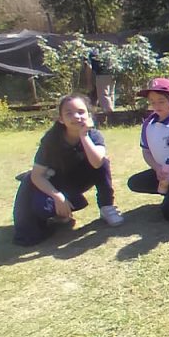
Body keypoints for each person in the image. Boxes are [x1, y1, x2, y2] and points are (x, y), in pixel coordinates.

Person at [12, 95, 123, 246]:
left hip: (81, 179)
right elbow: (37, 176)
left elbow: (97, 163)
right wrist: (59, 197)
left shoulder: (94, 135)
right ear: (61, 119)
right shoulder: (51, 140)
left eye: (81, 112)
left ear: (89, 115)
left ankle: (107, 207)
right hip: (58, 183)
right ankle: (61, 210)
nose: (76, 116)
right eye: (69, 113)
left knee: (103, 160)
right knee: (42, 208)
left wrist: (84, 135)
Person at [127, 78, 169, 221]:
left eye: (161, 101)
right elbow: (146, 152)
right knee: (134, 183)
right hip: (163, 174)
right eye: (152, 102)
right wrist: (157, 168)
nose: (156, 105)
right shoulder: (148, 124)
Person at [87, 48, 116, 113]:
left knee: (103, 94)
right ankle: (112, 111)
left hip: (101, 74)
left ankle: (108, 113)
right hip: (112, 73)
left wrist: (89, 81)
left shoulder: (91, 52)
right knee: (111, 93)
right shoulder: (107, 50)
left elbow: (89, 67)